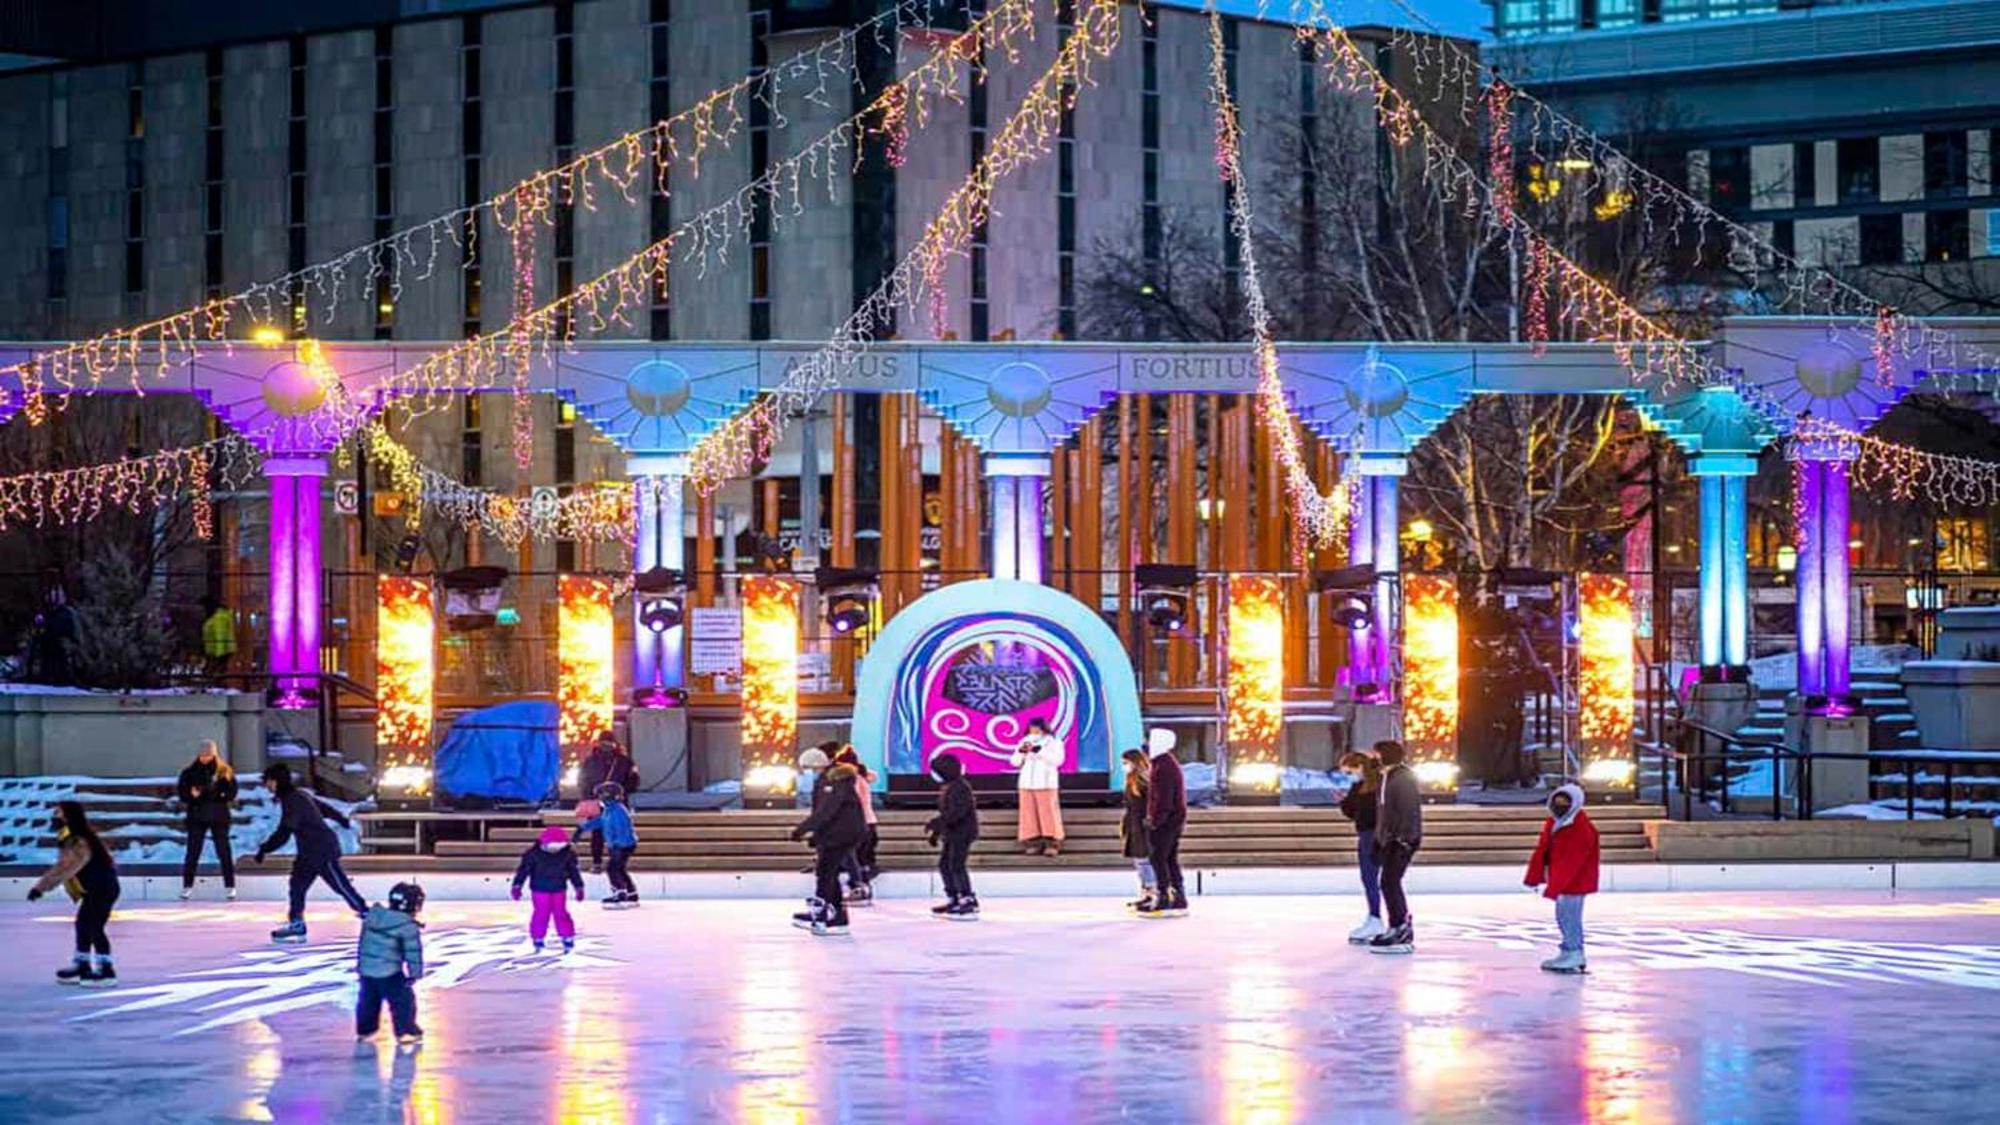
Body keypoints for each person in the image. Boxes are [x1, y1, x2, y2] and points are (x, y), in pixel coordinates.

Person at [253, 762, 367, 943]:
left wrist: (265, 849)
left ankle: (366, 913)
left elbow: (285, 830)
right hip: (307, 852)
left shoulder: (293, 800)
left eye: (268, 782)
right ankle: (297, 923)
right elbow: (322, 808)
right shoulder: (297, 795)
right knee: (297, 886)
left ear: (276, 782)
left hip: (322, 849)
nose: (266, 786)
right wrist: (340, 818)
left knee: (340, 884)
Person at [28, 800, 121, 987]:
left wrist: (41, 887)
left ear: (69, 816)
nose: (55, 817)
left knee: (94, 927)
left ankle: (106, 970)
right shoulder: (71, 837)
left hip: (102, 888)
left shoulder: (77, 840)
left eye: (59, 813)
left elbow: (65, 867)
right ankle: (82, 964)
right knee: (83, 925)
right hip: (95, 888)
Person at [1523, 782, 1600, 974]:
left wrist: (1556, 886)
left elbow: (1573, 861)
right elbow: (1543, 851)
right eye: (1557, 801)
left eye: (1564, 802)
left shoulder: (1581, 828)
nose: (1559, 805)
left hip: (1575, 882)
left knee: (1570, 917)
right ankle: (1569, 950)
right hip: (1562, 880)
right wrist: (1534, 876)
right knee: (1563, 916)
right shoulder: (1554, 823)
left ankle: (1574, 951)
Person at [789, 756, 865, 936]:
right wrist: (817, 835)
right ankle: (837, 915)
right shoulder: (838, 781)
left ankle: (822, 915)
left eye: (807, 768)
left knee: (825, 874)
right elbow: (829, 813)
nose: (807, 772)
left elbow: (826, 811)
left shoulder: (832, 783)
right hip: (839, 833)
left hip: (840, 835)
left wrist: (803, 829)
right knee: (828, 873)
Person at [1368, 740, 1423, 955]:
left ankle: (1400, 926)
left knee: (1389, 882)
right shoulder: (1387, 777)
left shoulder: (1403, 779)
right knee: (1388, 883)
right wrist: (1378, 839)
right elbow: (1384, 812)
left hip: (1401, 840)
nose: (1374, 758)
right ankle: (1397, 925)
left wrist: (1404, 839)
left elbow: (1408, 811)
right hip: (1389, 839)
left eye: (1377, 754)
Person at [356, 882, 426, 1047]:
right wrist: (414, 973)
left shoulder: (373, 917)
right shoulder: (407, 926)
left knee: (368, 1000)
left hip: (367, 970)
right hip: (390, 973)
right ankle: (406, 1030)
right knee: (403, 1001)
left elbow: (364, 944)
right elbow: (412, 952)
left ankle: (365, 1030)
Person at [176, 741, 239, 901]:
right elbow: (182, 793)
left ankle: (230, 885)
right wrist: (192, 796)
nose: (205, 758)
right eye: (203, 755)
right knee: (193, 851)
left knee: (224, 851)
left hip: (219, 816)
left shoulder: (224, 771)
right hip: (197, 816)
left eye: (208, 755)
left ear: (214, 755)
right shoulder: (189, 773)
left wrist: (219, 794)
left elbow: (232, 792)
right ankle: (187, 885)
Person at [1137, 728, 1188, 919]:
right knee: (1168, 858)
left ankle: (1165, 897)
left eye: (1148, 740)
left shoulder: (1163, 767)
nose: (1146, 744)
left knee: (1159, 858)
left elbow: (1163, 798)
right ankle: (1177, 897)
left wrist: (1155, 821)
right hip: (1171, 819)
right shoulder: (1163, 763)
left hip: (1166, 821)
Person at [512, 825, 587, 953]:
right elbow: (523, 870)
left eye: (559, 846)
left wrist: (579, 886)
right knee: (541, 913)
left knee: (561, 913)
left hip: (559, 889)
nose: (556, 850)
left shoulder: (567, 854)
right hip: (540, 889)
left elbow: (573, 872)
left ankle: (567, 936)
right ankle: (538, 937)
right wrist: (517, 885)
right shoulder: (533, 854)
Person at [1337, 748, 1385, 943]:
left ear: (1358, 767)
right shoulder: (1369, 787)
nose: (1349, 777)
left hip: (1371, 836)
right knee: (1375, 879)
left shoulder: (1369, 788)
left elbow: (1359, 813)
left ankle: (1376, 916)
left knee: (1371, 878)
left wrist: (1344, 802)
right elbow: (1353, 812)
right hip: (1375, 834)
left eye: (1349, 772)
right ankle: (1377, 916)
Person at [925, 752, 980, 920]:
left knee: (956, 865)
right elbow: (949, 814)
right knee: (944, 865)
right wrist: (937, 831)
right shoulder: (949, 787)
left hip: (963, 832)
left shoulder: (961, 787)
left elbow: (956, 813)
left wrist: (937, 823)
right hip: (952, 832)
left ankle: (967, 899)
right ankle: (953, 897)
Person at [577, 732, 639, 874]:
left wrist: (621, 793)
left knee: (617, 833)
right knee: (598, 833)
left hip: (617, 803)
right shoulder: (590, 761)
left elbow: (634, 781)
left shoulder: (625, 761)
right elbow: (583, 781)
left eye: (608, 743)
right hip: (598, 802)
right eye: (603, 742)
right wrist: (589, 796)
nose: (606, 746)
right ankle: (597, 862)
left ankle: (616, 863)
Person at [574, 782, 640, 908]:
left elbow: (622, 830)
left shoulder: (618, 811)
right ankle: (632, 894)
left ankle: (620, 894)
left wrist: (617, 846)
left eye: (600, 796)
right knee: (619, 869)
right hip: (620, 845)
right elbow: (600, 821)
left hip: (623, 846)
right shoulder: (610, 810)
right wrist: (582, 828)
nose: (598, 799)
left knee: (612, 869)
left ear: (607, 796)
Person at [1009, 717, 1066, 856]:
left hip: (1045, 783)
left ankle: (1052, 843)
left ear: (1043, 727)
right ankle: (1032, 842)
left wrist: (1038, 751)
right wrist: (1021, 751)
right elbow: (1015, 762)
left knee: (1048, 814)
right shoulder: (1024, 740)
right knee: (1028, 815)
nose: (1033, 730)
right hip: (1027, 783)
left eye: (1036, 727)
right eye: (1031, 727)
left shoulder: (1053, 742)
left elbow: (1057, 760)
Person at [832, 745, 879, 906]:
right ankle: (862, 888)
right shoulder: (863, 777)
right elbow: (873, 776)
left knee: (852, 858)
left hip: (857, 824)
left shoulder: (852, 781)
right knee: (862, 859)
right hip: (870, 822)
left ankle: (858, 888)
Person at [1118, 748, 1155, 911]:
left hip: (1143, 826)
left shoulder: (1143, 781)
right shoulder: (1131, 780)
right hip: (1134, 825)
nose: (1124, 766)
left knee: (1144, 860)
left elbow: (1148, 804)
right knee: (1139, 861)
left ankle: (1152, 892)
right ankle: (1145, 893)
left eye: (1126, 763)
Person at [199, 596, 236, 681]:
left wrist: (219, 654)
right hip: (214, 651)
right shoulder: (215, 617)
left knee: (213, 674)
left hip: (218, 651)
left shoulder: (219, 617)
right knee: (214, 673)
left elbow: (220, 635)